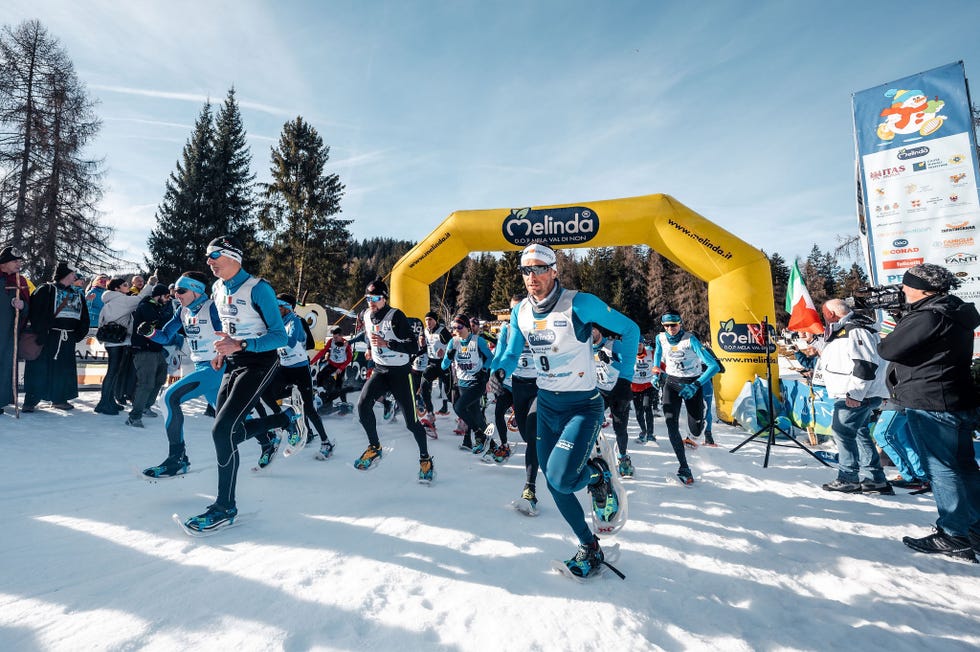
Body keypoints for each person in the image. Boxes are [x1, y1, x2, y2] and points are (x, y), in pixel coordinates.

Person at [490, 242, 639, 578]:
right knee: (554, 482)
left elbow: (630, 330)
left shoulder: (580, 303)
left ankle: (599, 474)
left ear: (554, 270)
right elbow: (512, 352)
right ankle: (590, 546)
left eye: (539, 268)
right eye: (526, 270)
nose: (532, 277)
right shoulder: (520, 312)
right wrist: (500, 369)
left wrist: (624, 379)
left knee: (561, 478)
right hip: (547, 405)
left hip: (582, 407)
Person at [181, 235, 287, 533]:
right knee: (230, 431)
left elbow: (280, 336)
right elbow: (226, 327)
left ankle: (225, 506)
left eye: (214, 255)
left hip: (260, 361)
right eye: (207, 256)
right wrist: (220, 350)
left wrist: (240, 344)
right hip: (232, 361)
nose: (209, 262)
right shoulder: (217, 287)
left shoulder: (259, 289)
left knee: (222, 430)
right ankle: (287, 418)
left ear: (233, 257)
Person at [878, 263, 980, 562]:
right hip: (953, 397)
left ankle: (953, 534)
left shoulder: (928, 315)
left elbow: (888, 349)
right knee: (963, 466)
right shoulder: (952, 311)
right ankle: (972, 527)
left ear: (923, 289)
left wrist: (896, 321)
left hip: (931, 401)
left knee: (943, 469)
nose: (903, 290)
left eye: (907, 285)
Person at [136, 271, 223, 477]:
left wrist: (221, 354)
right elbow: (166, 335)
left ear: (197, 290)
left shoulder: (213, 309)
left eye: (181, 291)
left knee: (168, 398)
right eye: (174, 291)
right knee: (230, 417)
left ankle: (178, 459)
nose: (176, 295)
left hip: (216, 368)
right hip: (202, 368)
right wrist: (150, 332)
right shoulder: (183, 312)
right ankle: (276, 428)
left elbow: (227, 335)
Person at [353, 278, 434, 483]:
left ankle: (425, 459)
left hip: (400, 373)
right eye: (368, 297)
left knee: (411, 423)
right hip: (381, 370)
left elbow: (413, 347)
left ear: (385, 298)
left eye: (376, 298)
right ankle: (374, 447)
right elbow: (369, 335)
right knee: (362, 406)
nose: (371, 301)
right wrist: (371, 349)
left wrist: (387, 344)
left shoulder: (395, 316)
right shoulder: (366, 315)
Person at [818, 298, 892, 495]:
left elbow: (865, 363)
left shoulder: (855, 329)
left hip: (854, 392)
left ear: (831, 314)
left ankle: (848, 478)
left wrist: (856, 394)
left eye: (824, 313)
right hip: (857, 392)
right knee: (859, 432)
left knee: (842, 432)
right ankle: (875, 478)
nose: (823, 317)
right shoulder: (847, 329)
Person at [651, 311, 720, 483]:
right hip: (672, 384)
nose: (670, 329)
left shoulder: (690, 340)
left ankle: (692, 434)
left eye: (673, 325)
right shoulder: (660, 338)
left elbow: (714, 366)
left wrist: (696, 385)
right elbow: (658, 353)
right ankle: (684, 468)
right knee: (670, 423)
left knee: (697, 428)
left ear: (680, 323)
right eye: (666, 326)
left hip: (692, 384)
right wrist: (655, 370)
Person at [22, 262, 89, 412]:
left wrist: (77, 335)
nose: (75, 276)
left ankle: (60, 398)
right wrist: (42, 332)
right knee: (39, 368)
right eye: (72, 274)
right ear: (65, 274)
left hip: (67, 338)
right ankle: (31, 400)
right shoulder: (46, 289)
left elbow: (84, 316)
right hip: (47, 336)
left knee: (63, 369)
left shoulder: (77, 293)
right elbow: (36, 312)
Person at [491, 296, 539, 505]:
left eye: (518, 310)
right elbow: (501, 353)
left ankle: (530, 488)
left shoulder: (538, 324)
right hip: (518, 383)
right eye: (512, 311)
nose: (514, 314)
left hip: (540, 384)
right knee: (527, 436)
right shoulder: (507, 329)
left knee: (533, 432)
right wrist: (494, 374)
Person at [94, 277, 155, 414]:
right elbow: (141, 298)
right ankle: (104, 403)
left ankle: (109, 400)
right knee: (113, 371)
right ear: (117, 288)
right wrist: (150, 284)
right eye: (125, 285)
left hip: (110, 339)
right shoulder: (122, 299)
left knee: (113, 371)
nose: (127, 287)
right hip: (119, 340)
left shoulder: (109, 300)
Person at [441, 313, 494, 452]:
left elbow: (490, 358)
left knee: (458, 407)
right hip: (462, 384)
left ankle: (478, 433)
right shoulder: (453, 342)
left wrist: (483, 370)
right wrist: (448, 356)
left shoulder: (478, 341)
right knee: (476, 415)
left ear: (467, 328)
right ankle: (493, 444)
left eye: (459, 327)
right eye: (454, 327)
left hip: (477, 383)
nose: (456, 330)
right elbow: (443, 366)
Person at [592, 326, 639, 477]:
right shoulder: (584, 347)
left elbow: (631, 365)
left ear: (599, 330)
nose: (589, 333)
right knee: (592, 422)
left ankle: (623, 457)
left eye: (592, 329)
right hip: (600, 391)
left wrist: (611, 362)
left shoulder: (614, 345)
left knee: (620, 428)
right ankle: (597, 454)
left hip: (619, 391)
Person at [126, 284, 172, 428]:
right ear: (158, 295)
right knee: (146, 383)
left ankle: (146, 406)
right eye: (166, 296)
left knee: (160, 379)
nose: (168, 299)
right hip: (144, 350)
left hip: (156, 350)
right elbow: (159, 323)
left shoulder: (158, 307)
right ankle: (134, 416)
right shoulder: (146, 306)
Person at [0, 246, 29, 414]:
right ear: (4, 262)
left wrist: (22, 305)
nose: (19, 264)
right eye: (15, 261)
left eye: (20, 261)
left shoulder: (20, 281)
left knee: (4, 366)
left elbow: (28, 310)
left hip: (8, 334)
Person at [312, 326, 353, 409]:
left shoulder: (346, 344)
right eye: (333, 337)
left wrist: (341, 368)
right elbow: (323, 351)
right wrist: (312, 361)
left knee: (339, 386)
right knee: (320, 375)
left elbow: (349, 358)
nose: (334, 339)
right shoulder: (331, 341)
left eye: (336, 337)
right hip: (332, 365)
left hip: (340, 367)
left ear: (341, 336)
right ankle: (321, 392)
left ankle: (344, 403)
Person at [421, 311, 452, 416]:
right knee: (423, 385)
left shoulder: (442, 331)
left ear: (435, 320)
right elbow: (425, 344)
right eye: (426, 320)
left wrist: (444, 350)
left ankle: (462, 416)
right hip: (432, 364)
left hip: (444, 364)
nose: (428, 322)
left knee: (448, 390)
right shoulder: (425, 331)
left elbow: (453, 345)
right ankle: (430, 413)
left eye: (430, 319)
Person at [631, 339, 658, 443]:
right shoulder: (630, 355)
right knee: (638, 411)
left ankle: (650, 433)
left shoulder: (651, 354)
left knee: (647, 407)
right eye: (636, 345)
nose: (638, 347)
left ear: (643, 345)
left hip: (648, 385)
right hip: (635, 387)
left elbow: (660, 364)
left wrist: (661, 374)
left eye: (640, 344)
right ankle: (643, 431)